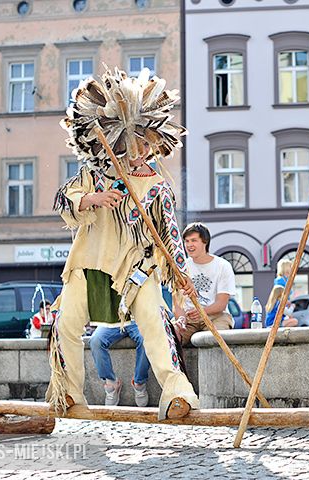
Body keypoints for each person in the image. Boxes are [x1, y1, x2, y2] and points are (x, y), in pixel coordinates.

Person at [46, 66, 199, 420]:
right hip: (88, 266)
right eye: (138, 142)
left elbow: (170, 235)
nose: (143, 150)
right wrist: (93, 200)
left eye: (149, 143)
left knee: (156, 325)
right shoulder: (95, 174)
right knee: (65, 323)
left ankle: (178, 395)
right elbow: (62, 200)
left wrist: (181, 275)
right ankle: (68, 394)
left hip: (137, 269)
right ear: (122, 139)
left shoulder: (159, 186)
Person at [174, 223, 237, 346]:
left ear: (205, 242)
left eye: (194, 240)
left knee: (216, 341)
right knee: (169, 338)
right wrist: (181, 320)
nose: (189, 245)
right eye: (186, 241)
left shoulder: (222, 266)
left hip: (216, 316)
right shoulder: (181, 268)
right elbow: (177, 302)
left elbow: (221, 304)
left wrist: (202, 311)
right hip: (188, 319)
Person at [89, 322, 151, 407]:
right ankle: (112, 384)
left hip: (137, 320)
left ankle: (139, 383)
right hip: (113, 321)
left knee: (146, 339)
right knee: (95, 341)